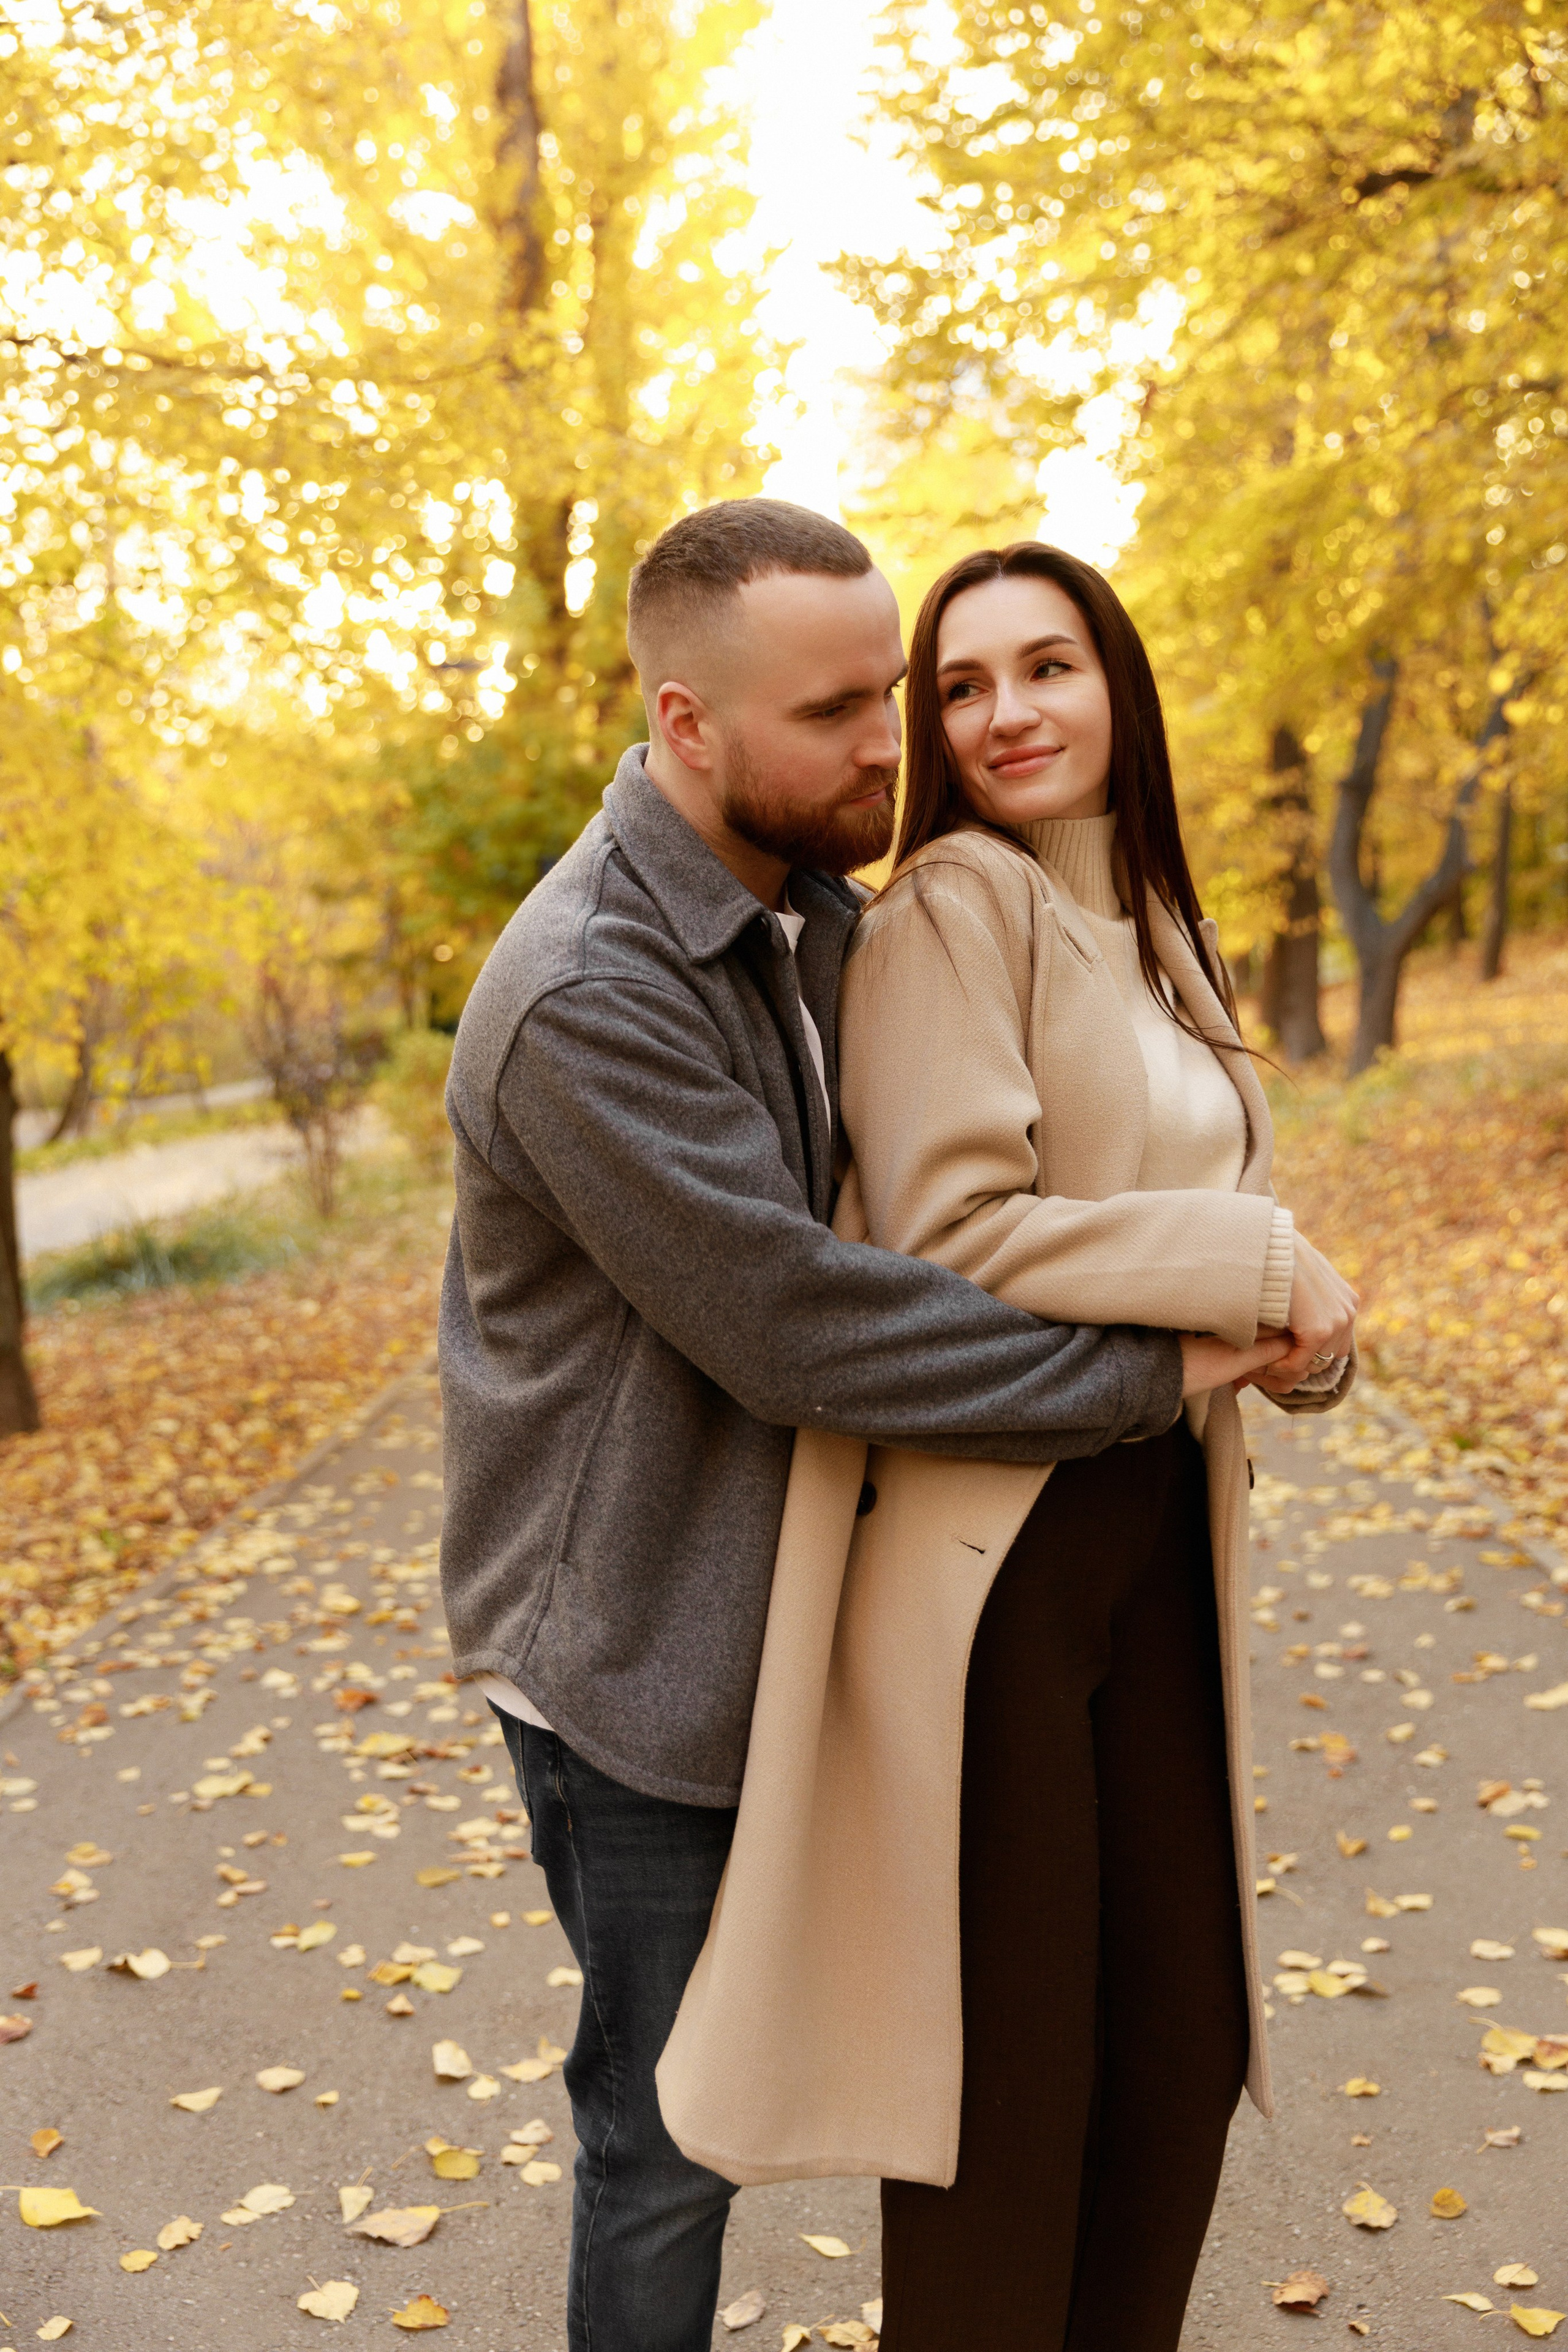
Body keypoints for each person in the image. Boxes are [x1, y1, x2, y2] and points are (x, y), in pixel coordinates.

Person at [437, 502, 1285, 2352]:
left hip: (820, 1596)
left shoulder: (809, 904)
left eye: (888, 693)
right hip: (645, 1644)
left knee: (1022, 2053)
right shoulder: (588, 994)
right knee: (673, 2137)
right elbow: (812, 1328)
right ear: (686, 723)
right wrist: (1171, 1362)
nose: (896, 747)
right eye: (844, 710)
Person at [657, 540, 1357, 2350]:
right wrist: (1260, 1268)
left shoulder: (1161, 931)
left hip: (1159, 1544)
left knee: (1181, 2049)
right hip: (999, 1572)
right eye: (958, 688)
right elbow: (953, 1233)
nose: (1003, 714)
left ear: (1118, 683)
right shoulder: (953, 912)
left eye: (1045, 667)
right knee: (1011, 2101)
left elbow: (1200, 1219)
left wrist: (1289, 1345)